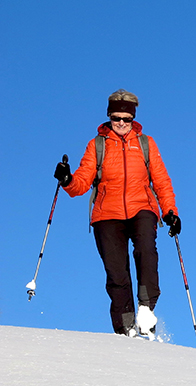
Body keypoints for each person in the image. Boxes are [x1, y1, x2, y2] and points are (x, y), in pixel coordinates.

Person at [53, 89, 181, 337]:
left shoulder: (145, 144)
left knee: (146, 251)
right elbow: (81, 182)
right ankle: (126, 328)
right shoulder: (97, 145)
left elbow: (162, 181)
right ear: (109, 117)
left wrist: (170, 212)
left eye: (126, 119)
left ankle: (145, 308)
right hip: (106, 215)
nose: (121, 123)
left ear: (133, 119)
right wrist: (67, 179)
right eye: (116, 118)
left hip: (141, 207)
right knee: (116, 273)